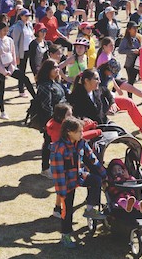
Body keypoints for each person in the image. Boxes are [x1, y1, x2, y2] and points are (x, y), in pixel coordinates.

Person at [50, 117, 107, 248]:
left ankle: (90, 209)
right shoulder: (59, 148)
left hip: (79, 176)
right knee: (67, 210)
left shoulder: (81, 142)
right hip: (66, 182)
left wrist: (104, 175)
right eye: (79, 131)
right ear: (69, 132)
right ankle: (66, 235)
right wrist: (62, 192)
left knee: (96, 180)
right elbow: (58, 173)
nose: (82, 134)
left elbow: (92, 159)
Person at [0, 22, 34, 120]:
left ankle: (35, 97)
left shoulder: (9, 40)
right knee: (1, 89)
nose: (6, 32)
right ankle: (2, 112)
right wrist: (4, 72)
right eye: (4, 30)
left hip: (10, 66)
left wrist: (12, 68)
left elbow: (13, 54)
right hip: (0, 68)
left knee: (25, 78)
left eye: (7, 30)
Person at [35, 58, 67, 176]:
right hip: (51, 120)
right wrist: (55, 120)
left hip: (62, 118)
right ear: (48, 70)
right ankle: (45, 168)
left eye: (58, 67)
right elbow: (46, 106)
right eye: (54, 67)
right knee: (48, 143)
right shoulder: (44, 85)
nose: (57, 69)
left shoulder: (56, 83)